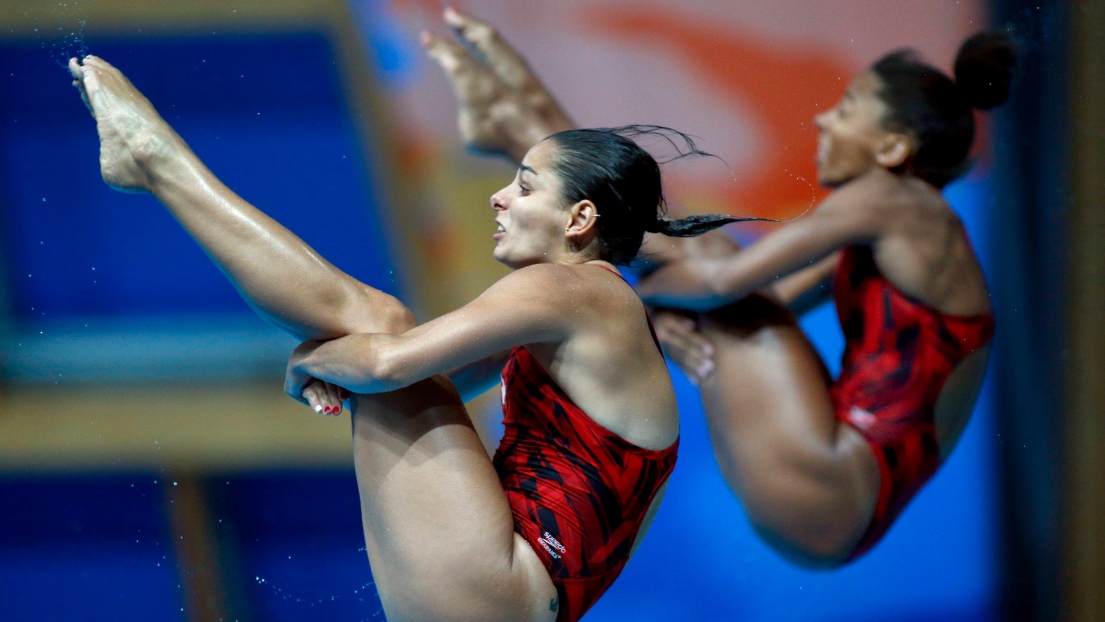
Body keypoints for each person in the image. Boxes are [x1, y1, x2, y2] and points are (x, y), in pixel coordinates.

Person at [68, 53, 754, 620]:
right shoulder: (588, 309)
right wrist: (340, 369)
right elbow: (418, 381)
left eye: (523, 185)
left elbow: (390, 361)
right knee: (377, 331)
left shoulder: (570, 289)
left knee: (383, 323)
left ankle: (158, 160)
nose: (499, 199)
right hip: (504, 593)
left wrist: (309, 360)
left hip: (500, 584)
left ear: (577, 219)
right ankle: (153, 164)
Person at [423, 8, 1014, 567]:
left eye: (849, 105)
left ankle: (518, 123)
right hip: (833, 507)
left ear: (891, 148)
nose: (823, 118)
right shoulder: (916, 229)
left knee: (709, 255)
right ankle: (517, 122)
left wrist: (645, 306)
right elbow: (755, 299)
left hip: (828, 484)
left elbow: (720, 279)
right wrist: (666, 315)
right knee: (704, 267)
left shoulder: (890, 197)